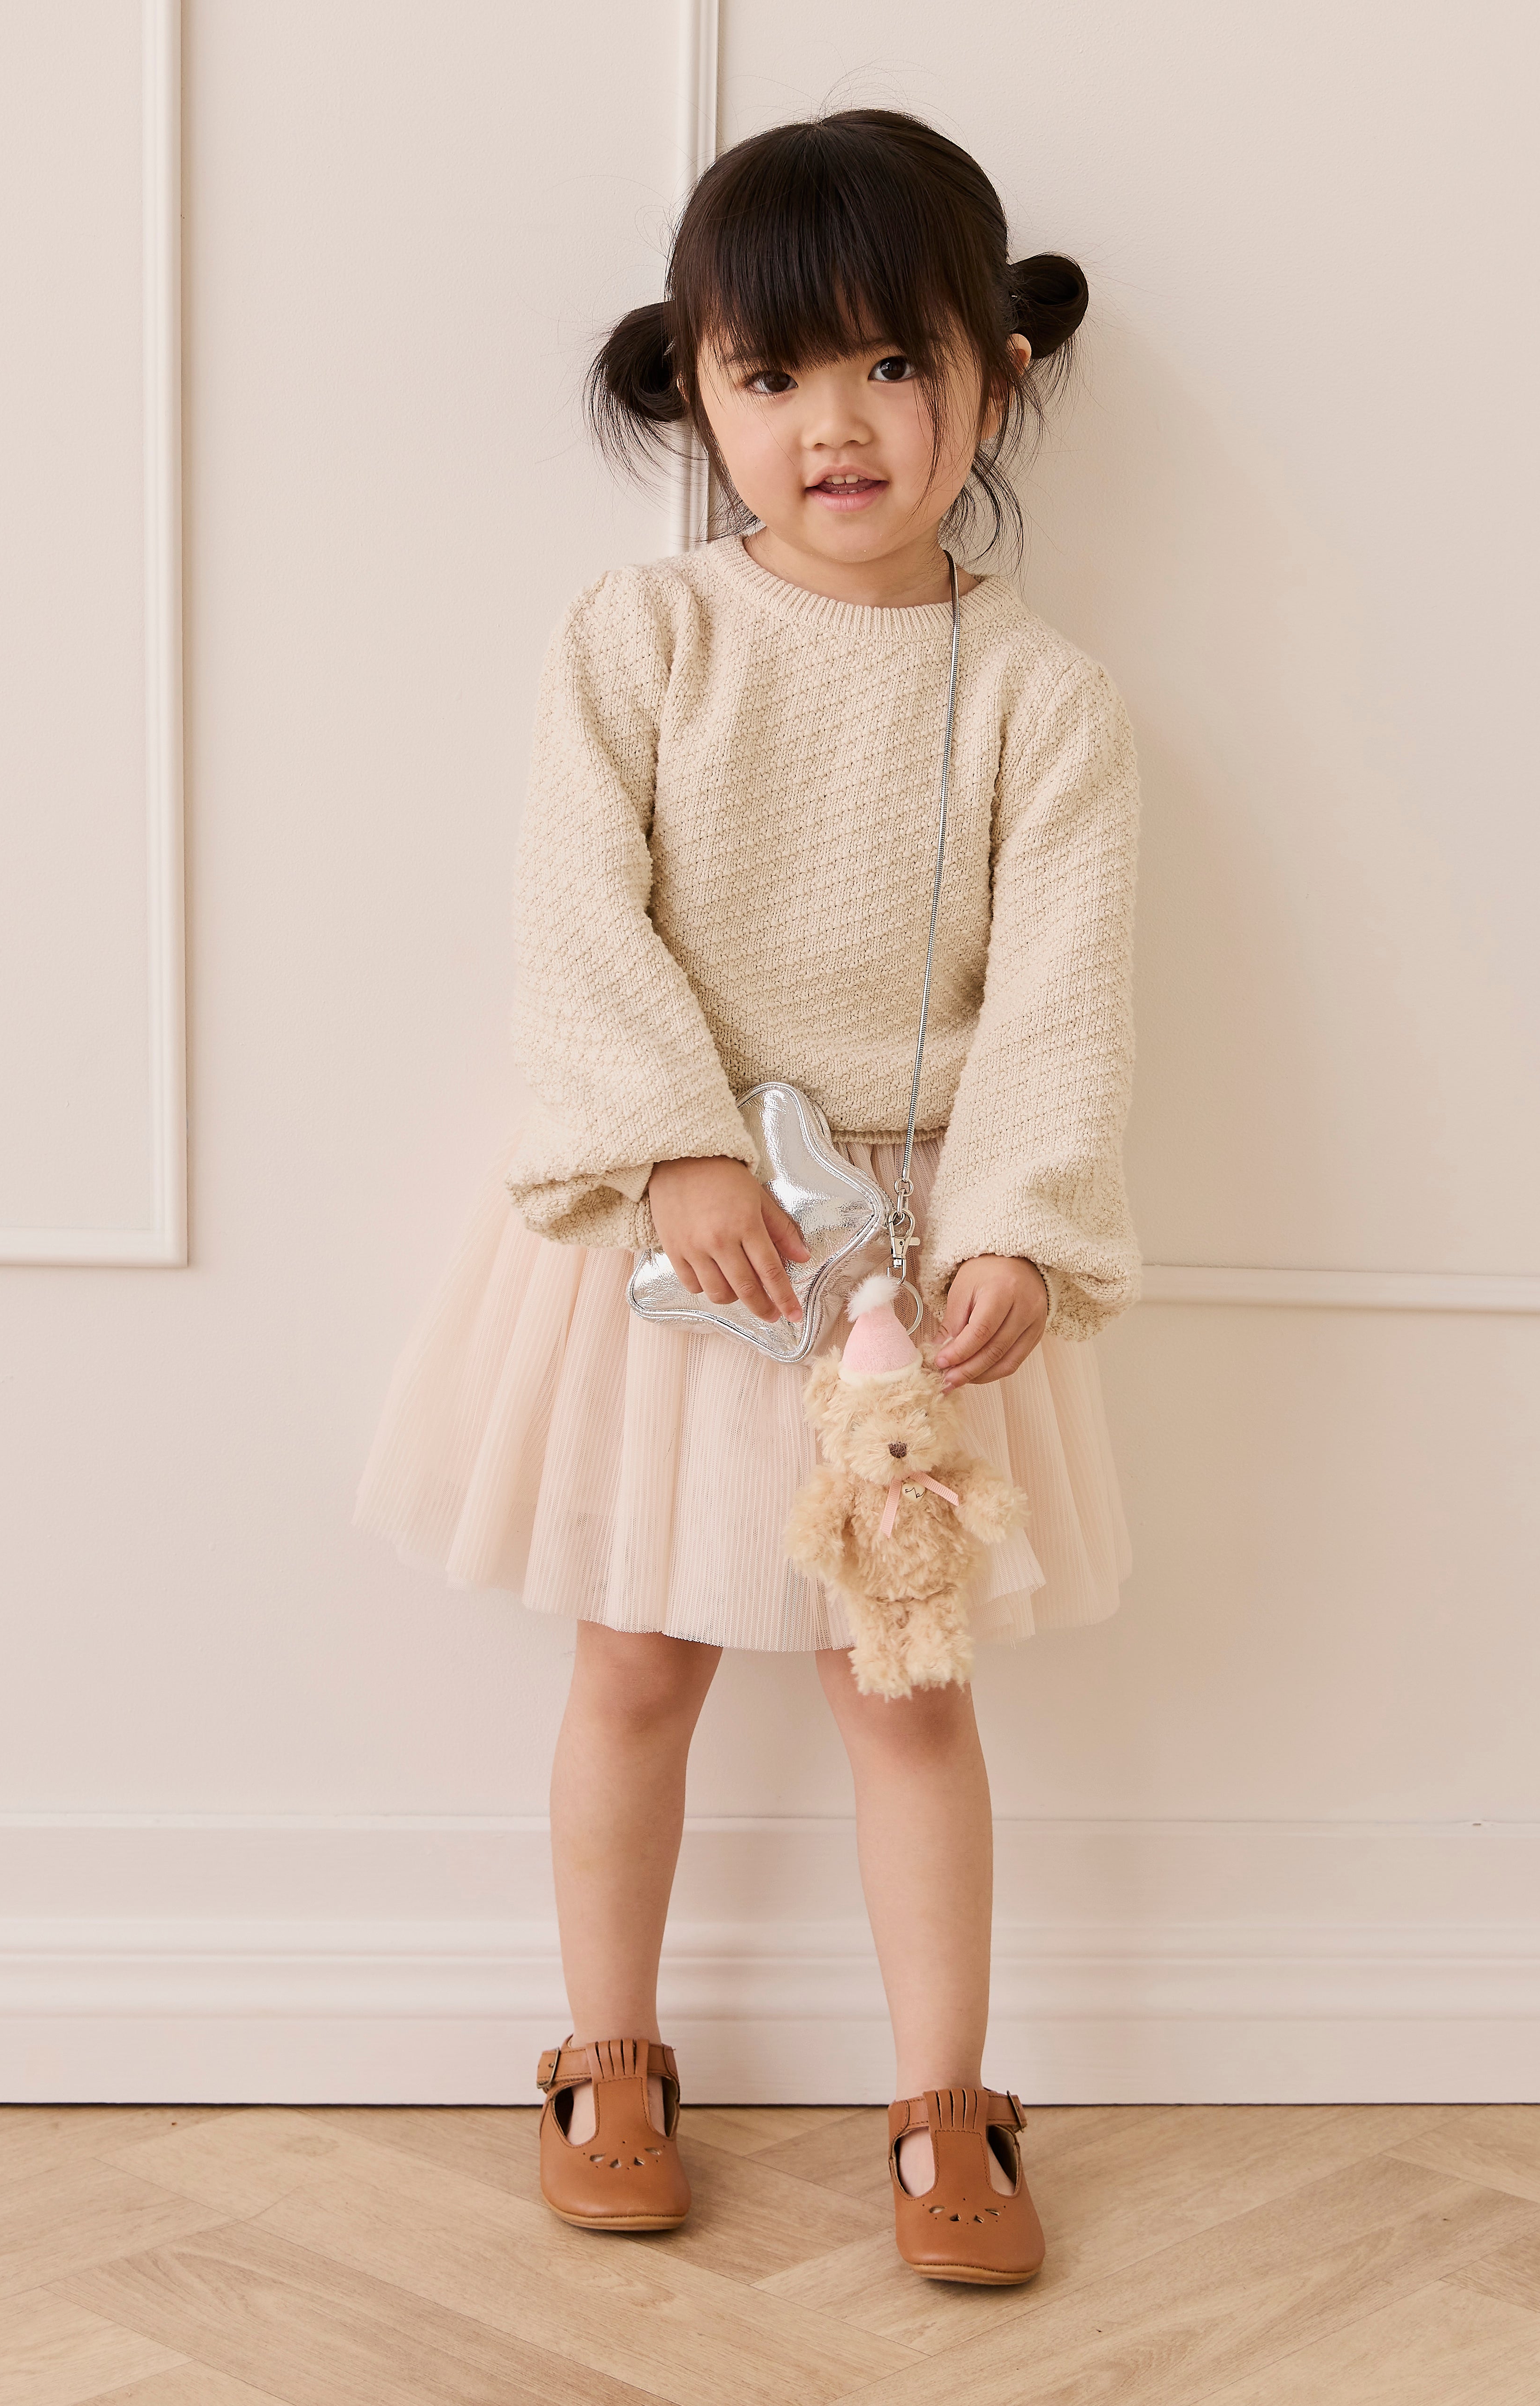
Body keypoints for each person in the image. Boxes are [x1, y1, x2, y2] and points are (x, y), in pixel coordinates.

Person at [357, 106, 1142, 2286]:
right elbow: (572, 914)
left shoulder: (1043, 699)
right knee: (637, 1655)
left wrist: (1014, 1224)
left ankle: (944, 2096)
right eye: (770, 375)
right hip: (679, 1240)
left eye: (892, 365)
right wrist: (682, 1141)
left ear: (990, 375)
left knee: (905, 1683)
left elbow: (1061, 998)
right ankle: (605, 2046)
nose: (833, 424)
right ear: (692, 385)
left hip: (895, 1274)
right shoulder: (641, 635)